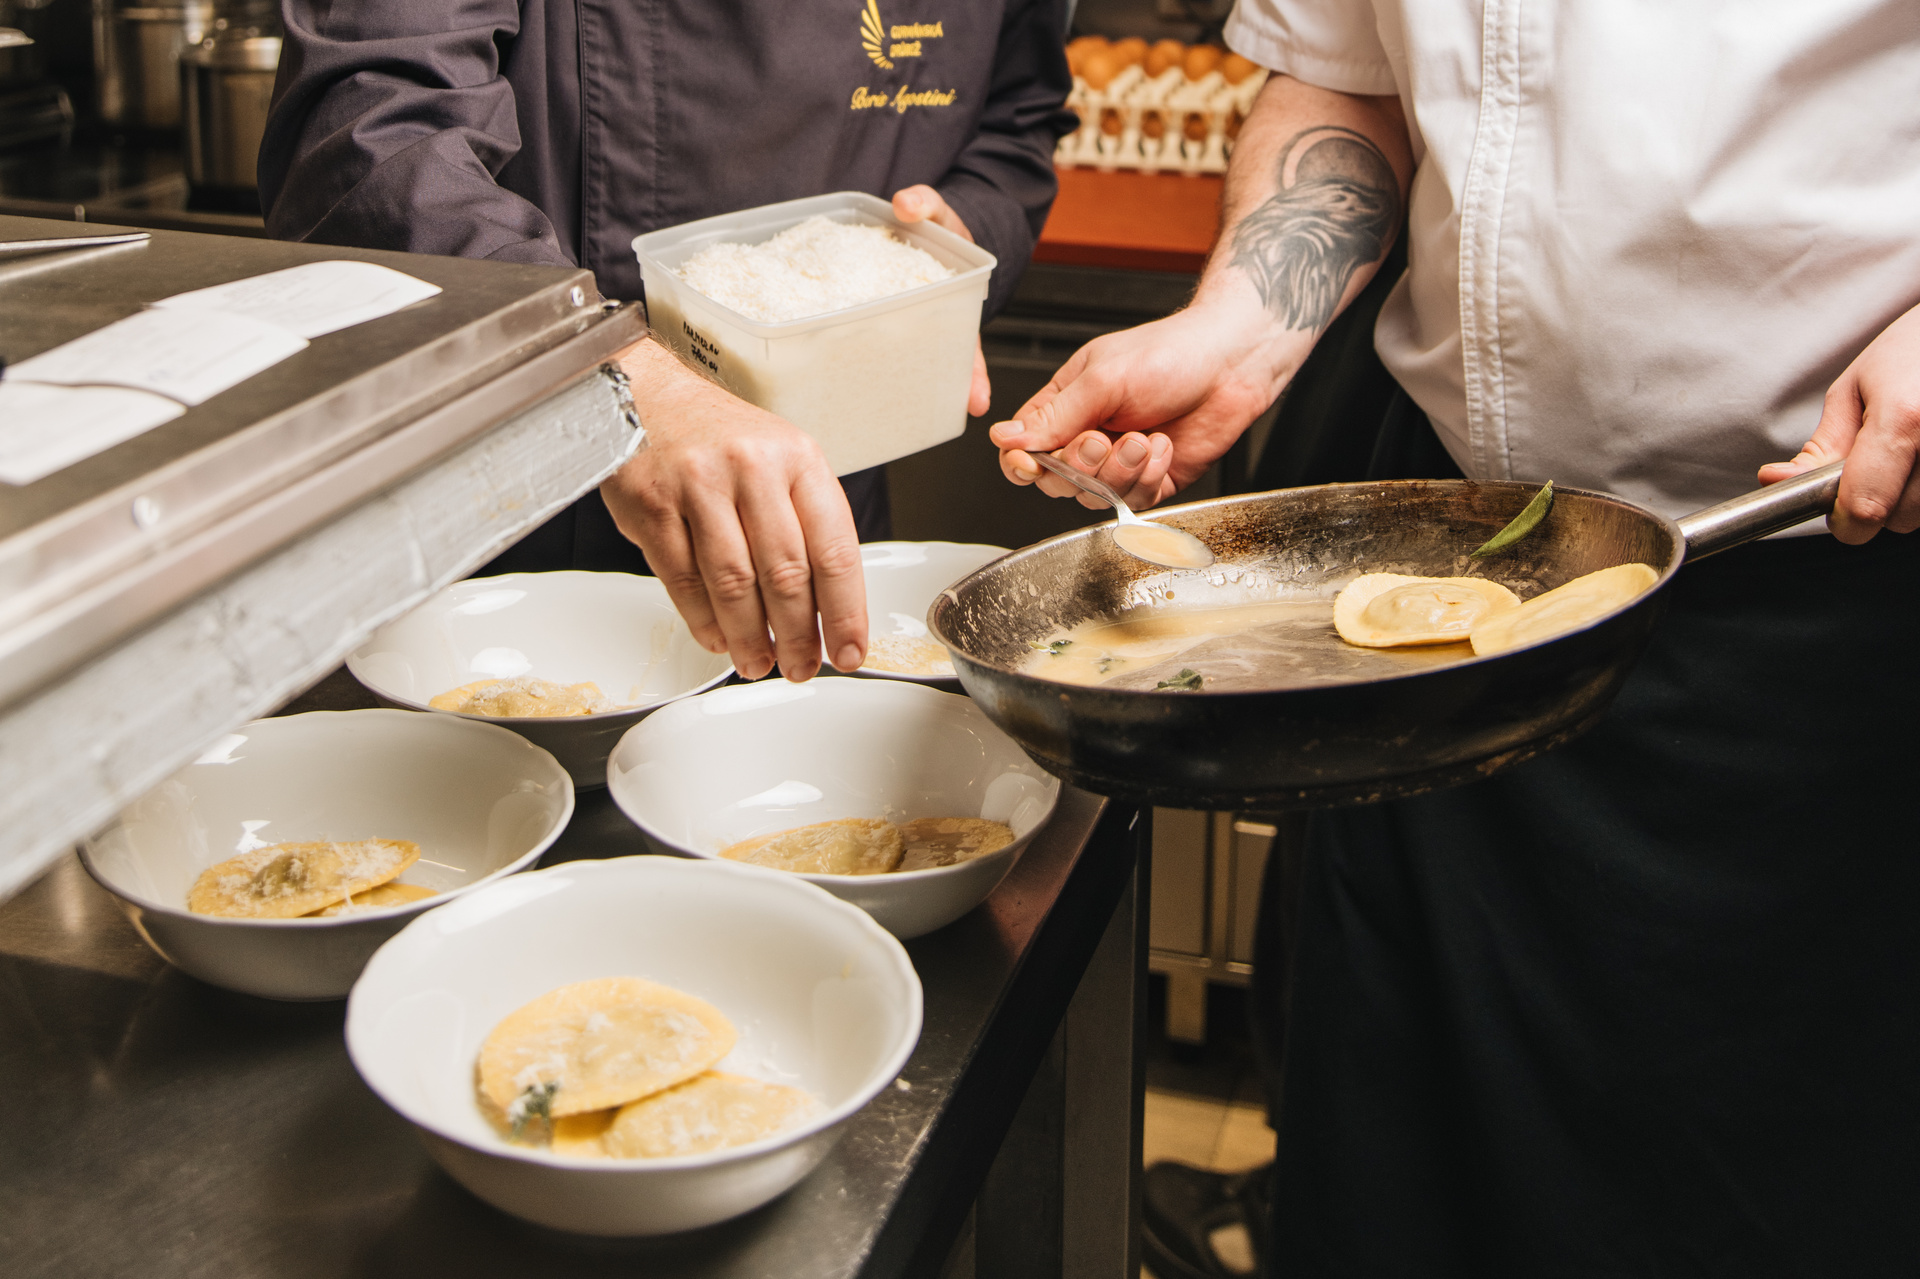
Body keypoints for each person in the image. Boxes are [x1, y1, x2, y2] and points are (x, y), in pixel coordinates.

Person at [992, 3, 1920, 1275]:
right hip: (1445, 587)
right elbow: (1350, 85)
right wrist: (1243, 329)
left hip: (1815, 588)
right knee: (1398, 1178)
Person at [259, 0, 1073, 682]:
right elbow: (369, 127)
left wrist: (954, 240)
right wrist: (600, 367)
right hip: (503, 547)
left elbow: (1017, 119)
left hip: (823, 529)